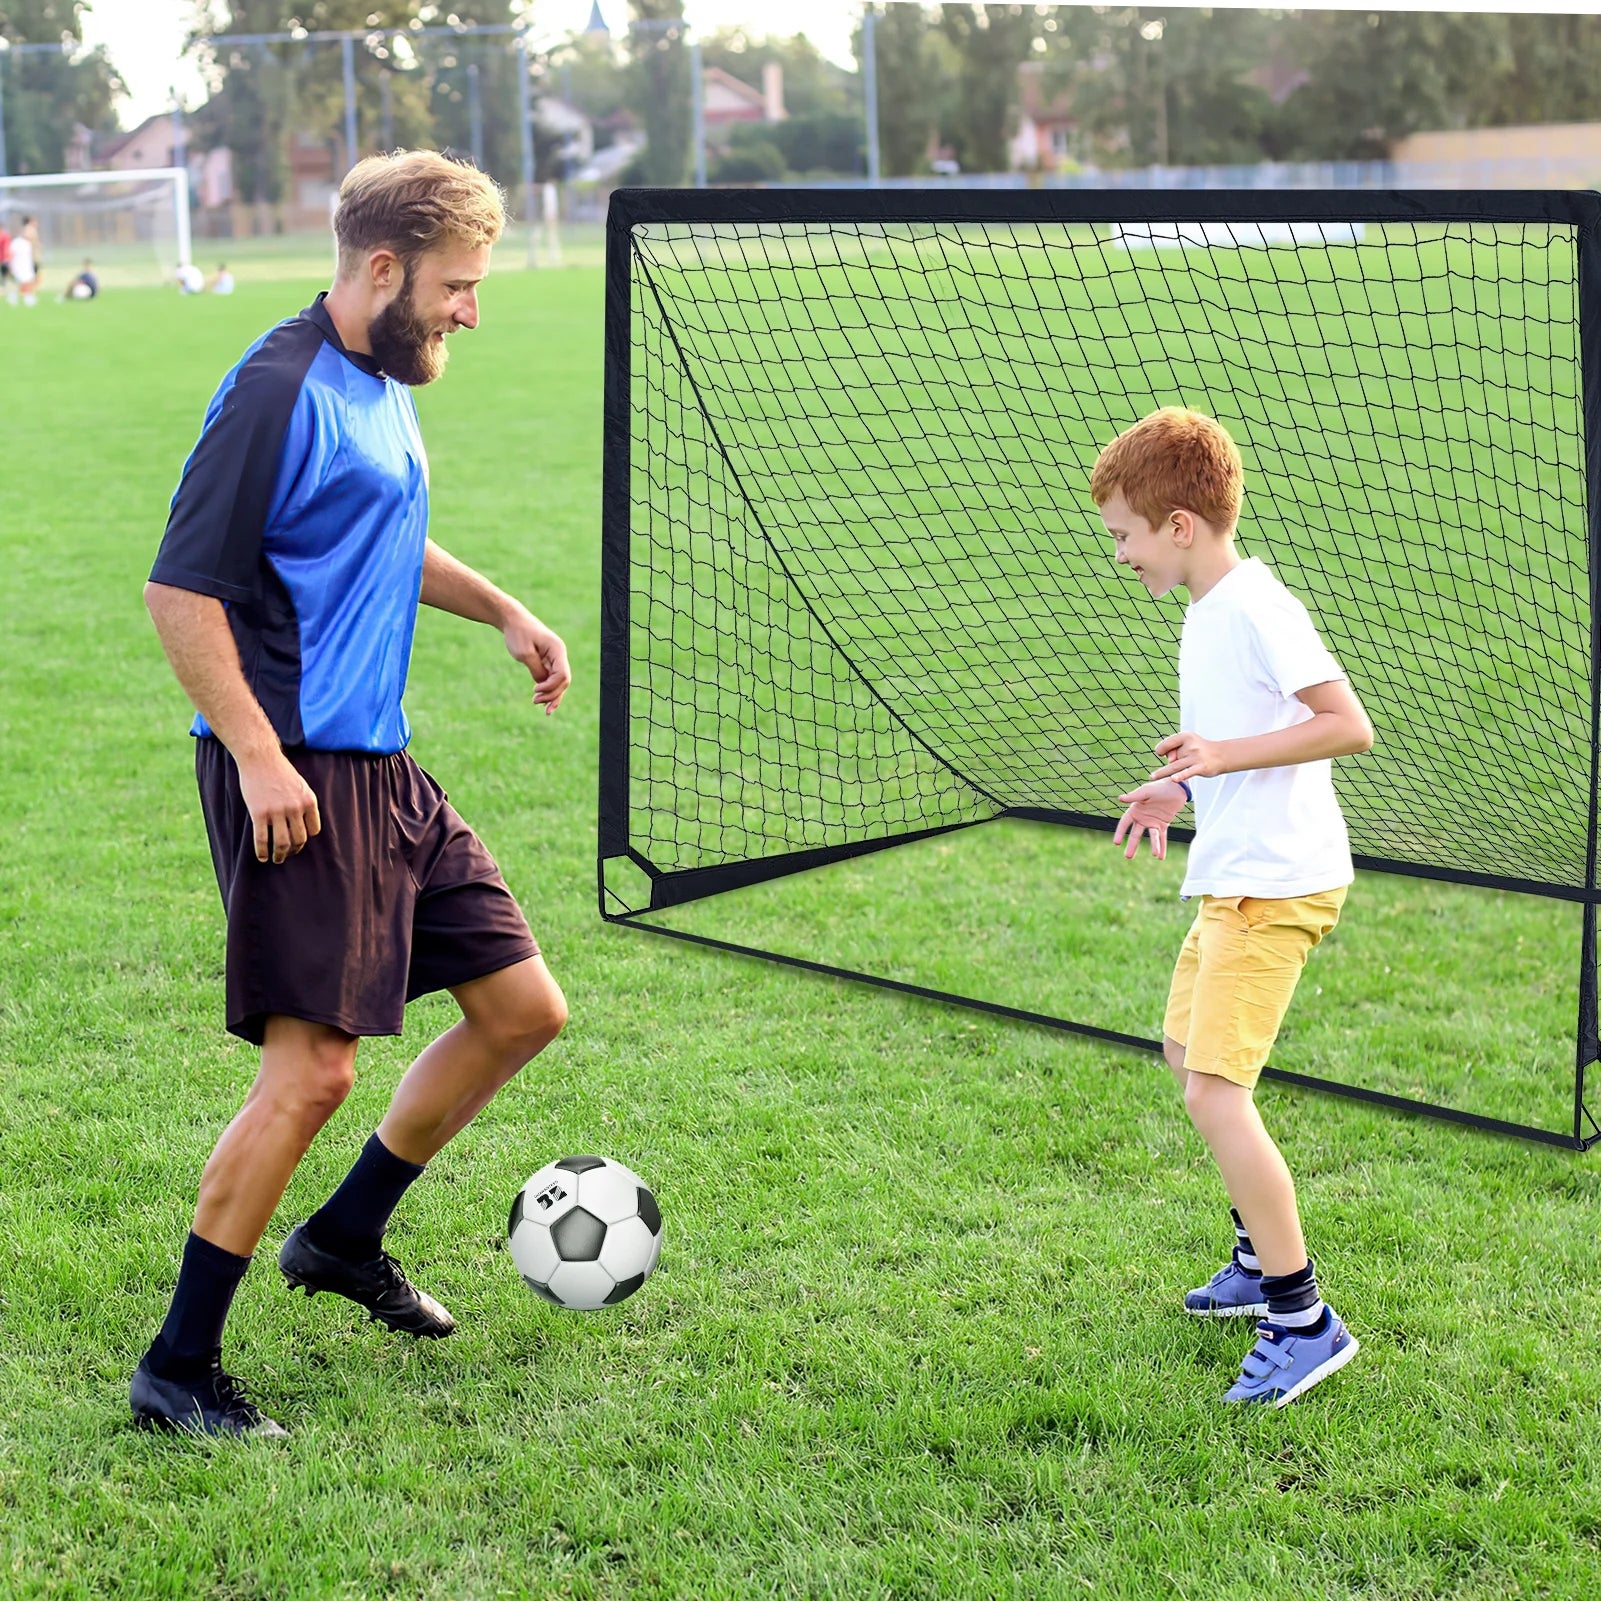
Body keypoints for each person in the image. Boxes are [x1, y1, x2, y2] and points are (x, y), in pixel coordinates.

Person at [134, 149, 572, 1438]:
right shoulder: (274, 389)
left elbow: (371, 527)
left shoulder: (383, 378)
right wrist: (260, 754)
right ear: (382, 269)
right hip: (297, 774)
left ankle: (340, 1237)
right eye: (457, 286)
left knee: (519, 1007)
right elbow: (180, 588)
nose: (469, 312)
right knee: (311, 1073)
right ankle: (177, 1365)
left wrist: (498, 605)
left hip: (383, 766)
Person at [1091, 407, 1374, 1408]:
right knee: (1185, 1056)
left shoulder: (1256, 604)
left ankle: (1300, 1317)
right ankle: (1257, 1260)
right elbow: (1234, 737)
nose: (1117, 552)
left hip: (1278, 881)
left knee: (1216, 1090)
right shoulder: (1205, 612)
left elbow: (1345, 724)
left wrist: (1219, 755)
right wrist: (1182, 785)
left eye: (1123, 532)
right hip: (1231, 871)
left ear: (1177, 524)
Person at [9, 218, 38, 307]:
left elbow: (32, 254)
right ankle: (24, 296)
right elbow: (11, 254)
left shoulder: (27, 244)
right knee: (23, 281)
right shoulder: (17, 242)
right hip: (19, 265)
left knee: (28, 280)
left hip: (26, 265)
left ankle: (26, 296)